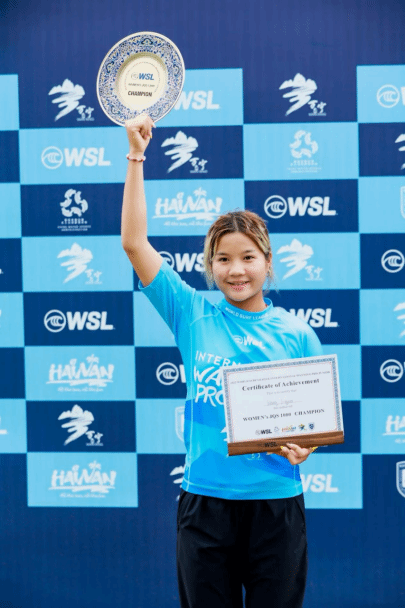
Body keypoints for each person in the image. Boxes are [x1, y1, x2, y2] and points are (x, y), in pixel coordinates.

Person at [122, 115, 324, 608]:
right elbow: (134, 243)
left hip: (276, 505)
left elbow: (314, 427)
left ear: (268, 262)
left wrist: (306, 448)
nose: (236, 270)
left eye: (249, 257)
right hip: (206, 505)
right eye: (223, 259)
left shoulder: (298, 334)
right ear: (209, 266)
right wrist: (136, 156)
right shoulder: (190, 312)